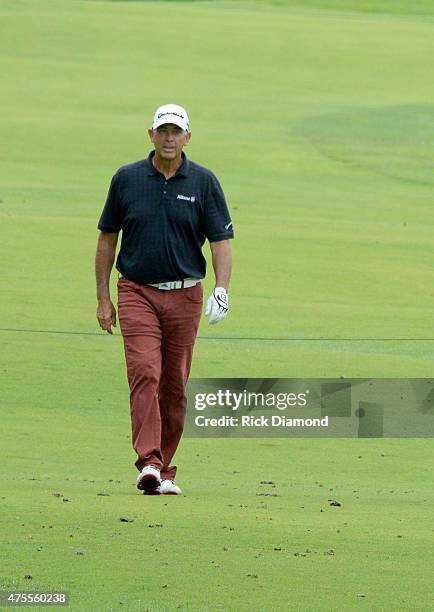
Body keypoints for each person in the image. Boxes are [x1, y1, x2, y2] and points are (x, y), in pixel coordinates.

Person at [95, 104, 234, 495]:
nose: (169, 138)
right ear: (151, 135)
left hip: (186, 295)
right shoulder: (127, 179)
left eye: (177, 131)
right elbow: (107, 239)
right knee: (145, 372)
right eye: (163, 131)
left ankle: (165, 469)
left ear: (188, 137)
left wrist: (221, 288)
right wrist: (104, 298)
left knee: (174, 386)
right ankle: (150, 463)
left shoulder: (204, 182)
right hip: (137, 291)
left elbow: (220, 240)